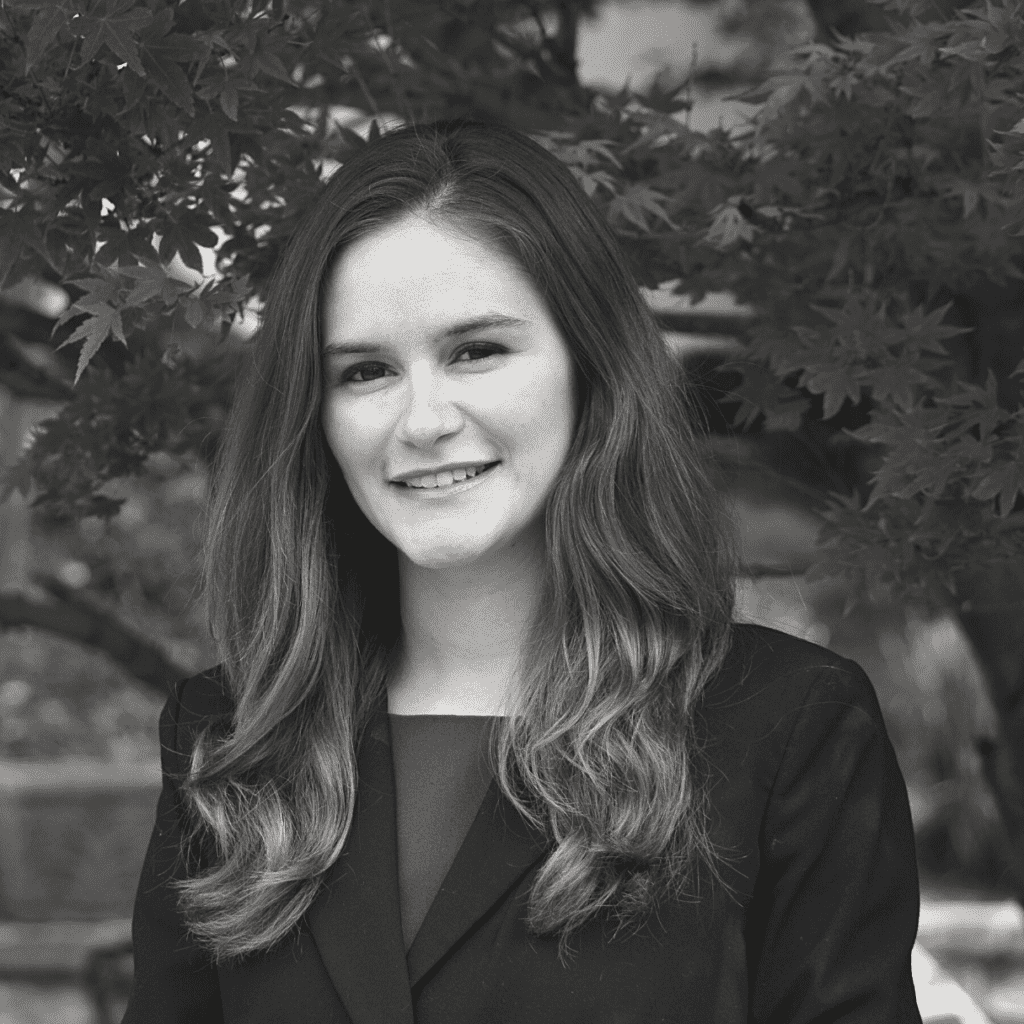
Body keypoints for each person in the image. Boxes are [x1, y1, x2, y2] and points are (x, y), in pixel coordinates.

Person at [122, 116, 924, 1024]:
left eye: (477, 351)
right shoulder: (231, 739)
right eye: (365, 371)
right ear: (316, 415)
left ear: (592, 368)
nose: (422, 420)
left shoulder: (789, 729)